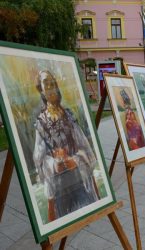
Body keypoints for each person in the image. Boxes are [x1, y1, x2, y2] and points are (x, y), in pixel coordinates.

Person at [33, 70, 99, 222]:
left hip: (79, 180)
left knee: (86, 213)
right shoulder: (41, 123)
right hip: (59, 188)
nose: (51, 87)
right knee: (63, 221)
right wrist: (55, 164)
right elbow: (39, 160)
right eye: (46, 84)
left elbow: (86, 148)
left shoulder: (68, 115)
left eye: (52, 83)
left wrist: (74, 160)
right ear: (41, 91)